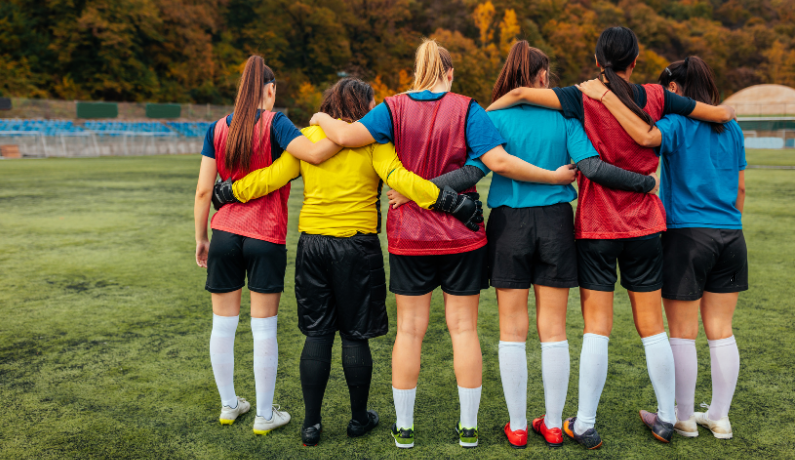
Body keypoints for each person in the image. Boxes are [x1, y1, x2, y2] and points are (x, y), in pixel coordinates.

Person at [387, 40, 660, 449]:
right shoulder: (565, 118)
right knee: (554, 330)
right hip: (555, 224)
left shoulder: (490, 117)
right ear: (543, 77)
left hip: (508, 226)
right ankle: (552, 424)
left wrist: (416, 189)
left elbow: (476, 167)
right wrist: (644, 182)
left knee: (512, 330)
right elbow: (589, 166)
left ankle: (516, 426)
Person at [309, 38, 577, 449]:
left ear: (417, 72)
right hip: (461, 236)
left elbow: (344, 137)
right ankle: (468, 428)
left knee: (409, 332)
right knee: (464, 330)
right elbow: (490, 164)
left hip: (409, 237)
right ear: (450, 74)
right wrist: (554, 177)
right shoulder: (468, 108)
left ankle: (404, 428)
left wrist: (318, 117)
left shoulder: (393, 108)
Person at [487, 27, 735, 448]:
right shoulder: (656, 96)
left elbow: (521, 94)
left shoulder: (579, 96)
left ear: (597, 60)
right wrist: (721, 115)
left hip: (597, 226)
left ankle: (584, 422)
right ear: (635, 61)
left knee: (596, 329)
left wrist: (483, 113)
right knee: (653, 328)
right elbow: (720, 114)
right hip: (646, 225)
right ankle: (667, 418)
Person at [211, 77, 483, 446]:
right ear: (363, 105)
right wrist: (451, 202)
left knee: (318, 333)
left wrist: (230, 191)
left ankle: (311, 425)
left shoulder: (308, 137)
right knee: (355, 334)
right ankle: (358, 419)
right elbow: (401, 179)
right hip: (357, 246)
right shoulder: (373, 140)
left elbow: (271, 178)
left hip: (313, 245)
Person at [577, 56, 746, 440]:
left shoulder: (676, 122)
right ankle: (719, 418)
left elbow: (644, 137)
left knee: (682, 331)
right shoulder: (732, 127)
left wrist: (605, 96)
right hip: (732, 235)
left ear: (672, 88)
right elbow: (740, 188)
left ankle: (683, 417)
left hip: (688, 234)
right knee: (722, 330)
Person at [193, 55, 345, 436]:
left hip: (224, 234)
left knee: (222, 326)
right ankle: (264, 415)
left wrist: (201, 237)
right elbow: (315, 154)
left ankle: (229, 405)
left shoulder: (216, 128)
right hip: (265, 235)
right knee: (264, 329)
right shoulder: (276, 123)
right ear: (271, 90)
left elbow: (203, 191)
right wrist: (346, 133)